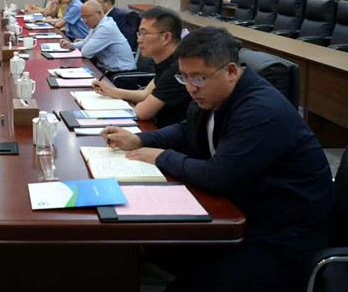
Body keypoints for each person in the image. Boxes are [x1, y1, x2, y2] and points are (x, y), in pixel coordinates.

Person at [101, 27, 334, 292]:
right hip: (243, 210)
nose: (190, 88)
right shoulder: (212, 95)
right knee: (149, 248)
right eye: (184, 77)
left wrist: (163, 157)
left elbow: (216, 177)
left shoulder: (261, 111)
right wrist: (141, 139)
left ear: (231, 71)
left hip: (281, 237)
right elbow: (188, 129)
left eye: (198, 78)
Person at [92, 6, 190, 127]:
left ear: (166, 37)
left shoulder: (178, 68)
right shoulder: (166, 62)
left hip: (169, 134)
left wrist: (136, 104)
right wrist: (111, 91)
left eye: (144, 33)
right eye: (139, 33)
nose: (139, 40)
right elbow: (145, 94)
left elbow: (142, 112)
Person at [60, 0, 135, 72]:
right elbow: (85, 42)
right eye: (83, 17)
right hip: (107, 70)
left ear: (99, 13)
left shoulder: (106, 28)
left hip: (120, 74)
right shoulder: (97, 24)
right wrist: (71, 45)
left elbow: (86, 52)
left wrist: (79, 47)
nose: (85, 21)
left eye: (87, 16)